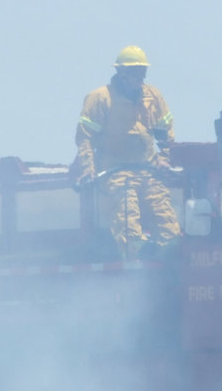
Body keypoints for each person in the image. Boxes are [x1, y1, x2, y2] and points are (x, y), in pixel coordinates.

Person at [73, 45, 181, 258]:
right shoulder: (100, 98)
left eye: (143, 71)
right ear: (121, 73)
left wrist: (164, 159)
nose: (140, 77)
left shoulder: (153, 97)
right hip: (116, 173)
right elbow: (85, 137)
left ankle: (168, 259)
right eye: (135, 71)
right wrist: (88, 169)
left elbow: (165, 134)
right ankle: (137, 260)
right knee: (127, 219)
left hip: (149, 171)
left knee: (168, 223)